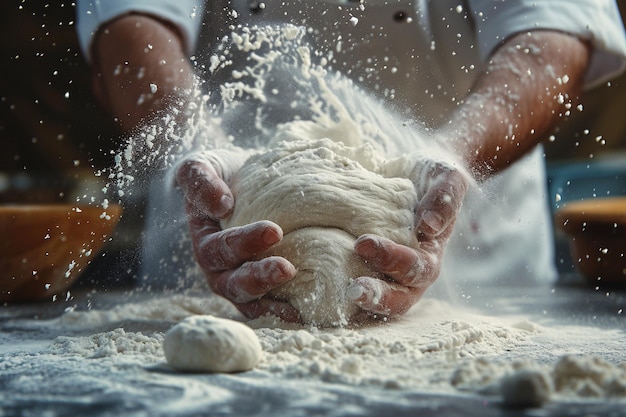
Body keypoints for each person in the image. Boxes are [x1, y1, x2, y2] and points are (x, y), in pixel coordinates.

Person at [75, 0, 626, 322]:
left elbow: (552, 36)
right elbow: (131, 28)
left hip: (479, 280)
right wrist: (195, 142)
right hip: (214, 259)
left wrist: (447, 157)